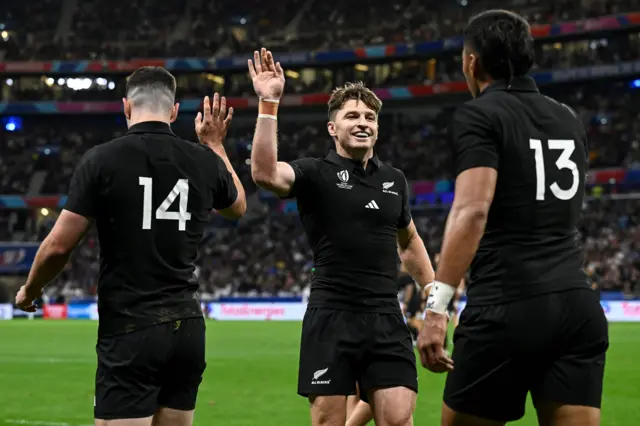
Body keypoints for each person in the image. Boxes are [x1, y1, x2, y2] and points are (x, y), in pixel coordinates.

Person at [15, 66, 246, 426]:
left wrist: (30, 289)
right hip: (187, 325)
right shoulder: (203, 160)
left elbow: (59, 247)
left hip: (131, 326)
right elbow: (237, 207)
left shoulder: (101, 160)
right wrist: (215, 144)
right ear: (173, 111)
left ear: (126, 107)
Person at [417, 9, 608, 426]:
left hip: (507, 306)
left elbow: (472, 210)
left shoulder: (479, 114)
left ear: (471, 61)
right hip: (577, 306)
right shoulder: (569, 118)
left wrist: (437, 309)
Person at [248, 47, 435, 426]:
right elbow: (266, 173)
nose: (363, 122)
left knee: (399, 418)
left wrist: (433, 292)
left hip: (385, 315)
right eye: (352, 116)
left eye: (369, 116)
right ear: (333, 128)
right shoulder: (315, 173)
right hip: (332, 314)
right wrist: (269, 105)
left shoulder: (393, 180)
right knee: (327, 421)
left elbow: (410, 239)